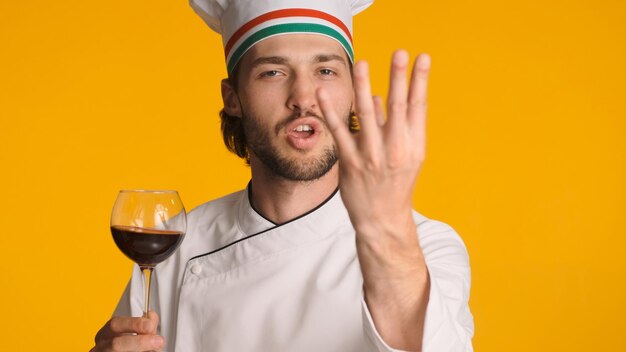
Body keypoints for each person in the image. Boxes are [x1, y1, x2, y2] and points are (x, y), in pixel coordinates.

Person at [91, 0, 474, 351]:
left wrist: (385, 227)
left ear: (353, 92)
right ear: (233, 98)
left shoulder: (426, 247)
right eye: (273, 72)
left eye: (325, 70)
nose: (304, 96)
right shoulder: (178, 245)